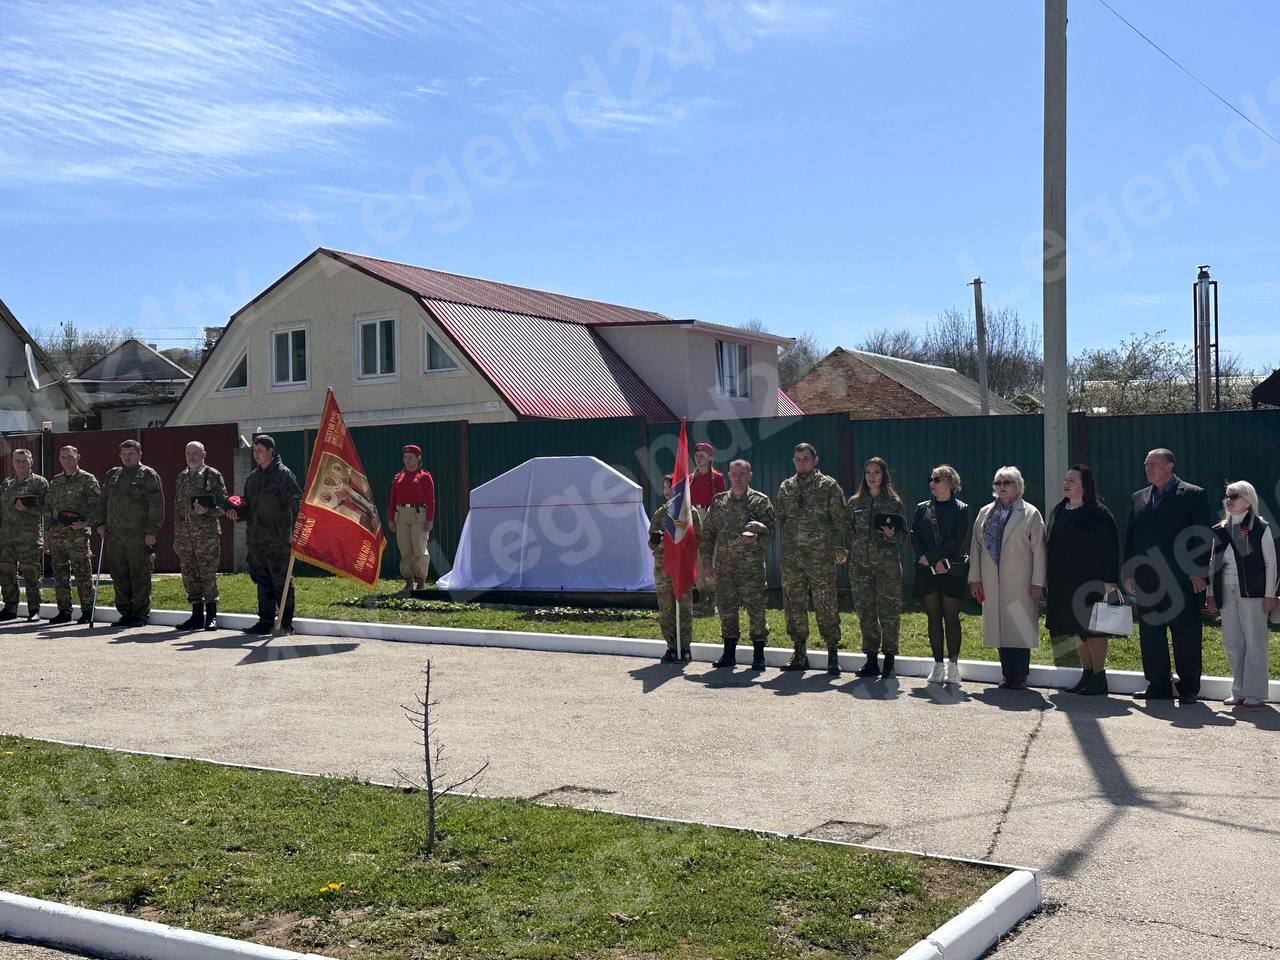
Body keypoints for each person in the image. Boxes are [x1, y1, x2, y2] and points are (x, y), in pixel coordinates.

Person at [1123, 448, 1212, 701]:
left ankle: (1189, 688)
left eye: (1153, 464)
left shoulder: (1193, 494)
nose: (1147, 468)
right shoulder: (1138, 497)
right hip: (1147, 579)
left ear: (1169, 466)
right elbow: (1131, 537)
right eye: (1146, 464)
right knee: (1151, 635)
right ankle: (1158, 685)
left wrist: (1198, 573)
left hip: (1181, 580)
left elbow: (1201, 536)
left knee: (1186, 634)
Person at [1045, 465, 1120, 696]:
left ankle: (1099, 676)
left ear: (1085, 485)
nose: (1066, 483)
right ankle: (1087, 674)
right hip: (1064, 581)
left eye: (1072, 480)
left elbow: (1111, 547)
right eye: (1065, 479)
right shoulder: (1060, 509)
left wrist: (1110, 580)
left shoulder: (1098, 512)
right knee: (1076, 628)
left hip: (1091, 581)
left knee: (1093, 630)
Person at [969, 466, 1046, 690]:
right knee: (999, 625)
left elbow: (1039, 550)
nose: (1001, 487)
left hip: (1020, 579)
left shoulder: (1030, 513)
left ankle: (1020, 674)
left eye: (1007, 483)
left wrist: (1037, 581)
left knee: (1019, 624)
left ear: (1017, 486)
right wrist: (975, 578)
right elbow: (976, 547)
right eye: (998, 483)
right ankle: (1006, 673)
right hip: (992, 579)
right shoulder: (985, 513)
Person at [777, 443, 847, 674]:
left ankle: (832, 654)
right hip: (792, 560)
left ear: (815, 460)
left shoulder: (829, 487)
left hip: (820, 559)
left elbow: (840, 521)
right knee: (793, 605)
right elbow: (782, 518)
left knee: (826, 605)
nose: (801, 463)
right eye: (797, 459)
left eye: (805, 459)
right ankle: (799, 654)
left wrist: (821, 541)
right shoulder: (786, 487)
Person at [1205, 481, 1276, 708]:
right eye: (1227, 496)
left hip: (1252, 592)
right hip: (1226, 590)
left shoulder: (1260, 528)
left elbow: (1271, 564)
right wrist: (1210, 593)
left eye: (1233, 496)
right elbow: (1213, 564)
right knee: (1232, 642)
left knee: (1255, 641)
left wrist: (1269, 595)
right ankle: (1239, 690)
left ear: (1247, 500)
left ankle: (1255, 692)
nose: (1228, 500)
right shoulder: (1220, 529)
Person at [700, 459, 776, 670]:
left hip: (751, 570)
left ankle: (758, 656)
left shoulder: (760, 502)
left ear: (750, 474)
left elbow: (771, 535)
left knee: (756, 611)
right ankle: (729, 654)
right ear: (729, 476)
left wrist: (757, 540)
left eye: (742, 473)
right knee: (726, 610)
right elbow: (707, 535)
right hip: (725, 569)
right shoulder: (719, 502)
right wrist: (707, 563)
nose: (738, 478)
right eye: (734, 474)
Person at [226, 435, 302, 635]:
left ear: (271, 451)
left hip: (277, 539)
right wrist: (237, 513)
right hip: (256, 539)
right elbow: (247, 505)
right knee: (262, 580)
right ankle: (265, 620)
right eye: (254, 450)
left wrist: (301, 523)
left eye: (260, 450)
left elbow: (296, 500)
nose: (256, 454)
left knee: (281, 582)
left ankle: (285, 622)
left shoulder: (283, 474)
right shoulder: (253, 477)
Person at [910, 465, 971, 685]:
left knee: (951, 618)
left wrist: (934, 557)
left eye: (937, 479)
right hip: (927, 570)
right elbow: (914, 535)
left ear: (950, 483)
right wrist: (925, 557)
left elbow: (957, 539)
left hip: (950, 569)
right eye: (931, 479)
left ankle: (953, 666)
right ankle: (937, 665)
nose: (932, 483)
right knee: (933, 618)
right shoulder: (922, 508)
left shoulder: (961, 509)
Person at [846, 457, 906, 679]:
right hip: (860, 568)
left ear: (883, 476)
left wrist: (891, 536)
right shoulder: (854, 502)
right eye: (868, 472)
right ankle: (871, 660)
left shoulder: (893, 502)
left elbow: (902, 535)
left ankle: (889, 661)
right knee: (866, 614)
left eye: (876, 472)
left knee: (889, 614)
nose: (872, 477)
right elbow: (849, 531)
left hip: (887, 568)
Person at [97, 439, 165, 628]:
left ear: (139, 455)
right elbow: (103, 501)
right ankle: (125, 612)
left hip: (138, 536)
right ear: (120, 456)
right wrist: (100, 523)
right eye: (124, 454)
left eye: (131, 454)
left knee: (140, 575)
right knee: (119, 575)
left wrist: (152, 531)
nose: (127, 458)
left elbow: (157, 505)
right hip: (115, 536)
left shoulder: (148, 475)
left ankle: (140, 614)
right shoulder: (113, 475)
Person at [173, 441, 228, 630]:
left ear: (204, 454)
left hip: (206, 536)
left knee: (207, 574)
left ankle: (211, 615)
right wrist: (177, 537)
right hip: (185, 536)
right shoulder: (181, 477)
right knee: (189, 574)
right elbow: (178, 509)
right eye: (188, 452)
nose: (191, 456)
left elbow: (224, 505)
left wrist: (207, 511)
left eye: (195, 452)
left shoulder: (212, 475)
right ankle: (196, 615)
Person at [43, 445, 100, 625]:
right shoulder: (55, 482)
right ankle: (64, 610)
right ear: (59, 459)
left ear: (78, 457)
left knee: (82, 574)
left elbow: (98, 505)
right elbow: (48, 509)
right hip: (57, 535)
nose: (67, 460)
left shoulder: (87, 479)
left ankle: (87, 610)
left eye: (70, 456)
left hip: (77, 536)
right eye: (63, 457)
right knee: (60, 574)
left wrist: (86, 523)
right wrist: (47, 535)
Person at [649, 474, 700, 663]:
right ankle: (671, 647)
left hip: (682, 569)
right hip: (663, 569)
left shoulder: (690, 513)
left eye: (670, 487)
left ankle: (685, 647)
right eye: (664, 488)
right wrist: (656, 540)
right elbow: (651, 542)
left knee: (684, 608)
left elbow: (698, 539)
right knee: (666, 608)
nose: (666, 491)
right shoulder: (660, 514)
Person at [0, 449, 48, 622]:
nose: (20, 464)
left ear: (31, 462)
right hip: (6, 538)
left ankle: (34, 609)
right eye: (17, 460)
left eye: (24, 460)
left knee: (31, 574)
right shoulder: (7, 483)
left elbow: (47, 510)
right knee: (6, 573)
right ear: (12, 462)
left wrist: (28, 508)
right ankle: (10, 607)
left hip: (29, 538)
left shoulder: (39, 483)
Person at [387, 444, 435, 595]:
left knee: (419, 548)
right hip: (401, 515)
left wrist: (429, 519)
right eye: (405, 457)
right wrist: (390, 519)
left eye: (411, 457)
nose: (407, 460)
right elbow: (392, 500)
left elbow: (431, 500)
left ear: (418, 458)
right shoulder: (398, 477)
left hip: (418, 515)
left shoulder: (424, 477)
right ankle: (408, 582)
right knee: (405, 548)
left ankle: (420, 582)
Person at [688, 442, 726, 616]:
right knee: (696, 557)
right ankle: (703, 598)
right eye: (697, 456)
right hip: (694, 516)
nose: (699, 459)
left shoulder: (716, 478)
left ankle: (712, 601)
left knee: (711, 556)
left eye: (703, 455)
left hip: (710, 516)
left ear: (710, 458)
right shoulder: (690, 478)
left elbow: (722, 502)